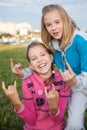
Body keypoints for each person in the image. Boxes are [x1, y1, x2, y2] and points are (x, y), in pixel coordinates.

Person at [9, 4, 87, 130]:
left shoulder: (81, 41)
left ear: (65, 20)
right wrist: (22, 73)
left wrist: (75, 83)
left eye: (57, 22)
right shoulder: (54, 46)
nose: (53, 28)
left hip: (81, 83)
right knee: (74, 126)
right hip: (75, 87)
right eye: (49, 25)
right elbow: (42, 65)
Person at [2, 41, 70, 130]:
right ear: (31, 66)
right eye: (34, 58)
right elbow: (31, 120)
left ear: (50, 57)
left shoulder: (63, 81)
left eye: (42, 55)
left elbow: (58, 120)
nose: (39, 60)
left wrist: (54, 108)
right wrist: (17, 103)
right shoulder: (27, 83)